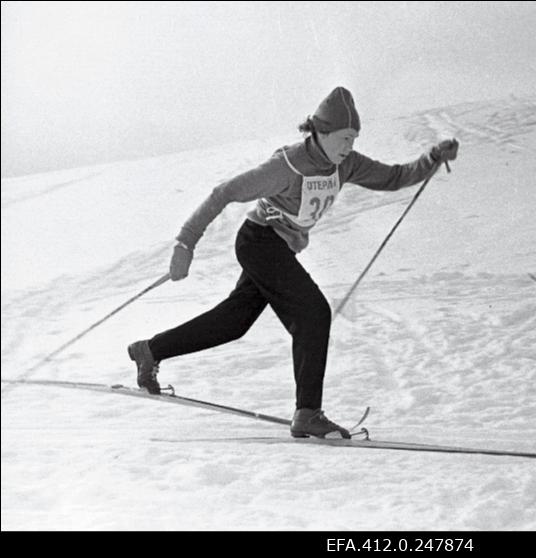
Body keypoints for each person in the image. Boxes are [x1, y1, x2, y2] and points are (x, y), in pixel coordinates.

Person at [127, 86, 459, 439]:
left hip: (278, 249)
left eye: (354, 138)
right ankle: (308, 413)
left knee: (233, 322)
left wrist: (433, 158)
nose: (349, 146)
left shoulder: (346, 164)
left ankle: (150, 351)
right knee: (313, 312)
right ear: (321, 132)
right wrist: (185, 243)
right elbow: (223, 192)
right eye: (344, 137)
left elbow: (393, 178)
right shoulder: (287, 166)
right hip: (259, 242)